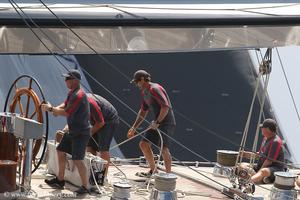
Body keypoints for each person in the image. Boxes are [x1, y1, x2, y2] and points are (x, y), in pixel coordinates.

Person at [42, 69, 91, 194]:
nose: (65, 81)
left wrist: (52, 109)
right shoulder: (72, 93)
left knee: (78, 159)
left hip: (80, 133)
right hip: (72, 130)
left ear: (75, 80)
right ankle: (60, 180)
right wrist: (55, 109)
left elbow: (67, 112)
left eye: (67, 79)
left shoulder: (78, 95)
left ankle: (86, 187)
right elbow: (65, 104)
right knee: (60, 150)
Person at [127, 69, 176, 177]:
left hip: (166, 122)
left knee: (163, 148)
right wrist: (134, 127)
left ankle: (168, 177)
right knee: (144, 144)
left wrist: (158, 122)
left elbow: (165, 106)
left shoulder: (155, 89)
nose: (136, 84)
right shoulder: (145, 92)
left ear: (143, 79)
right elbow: (143, 111)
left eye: (137, 82)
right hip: (156, 122)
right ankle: (153, 171)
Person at [239, 118, 285, 184]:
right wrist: (246, 154)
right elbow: (260, 155)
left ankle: (248, 182)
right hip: (261, 166)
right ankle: (261, 179)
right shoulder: (265, 139)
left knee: (263, 171)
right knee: (242, 165)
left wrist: (259, 172)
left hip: (275, 169)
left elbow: (268, 161)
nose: (261, 129)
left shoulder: (276, 142)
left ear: (268, 129)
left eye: (263, 128)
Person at [86, 93, 119, 181]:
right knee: (89, 145)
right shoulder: (76, 102)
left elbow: (101, 123)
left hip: (109, 120)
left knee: (103, 149)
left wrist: (89, 133)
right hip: (96, 120)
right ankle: (91, 172)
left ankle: (103, 176)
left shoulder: (90, 103)